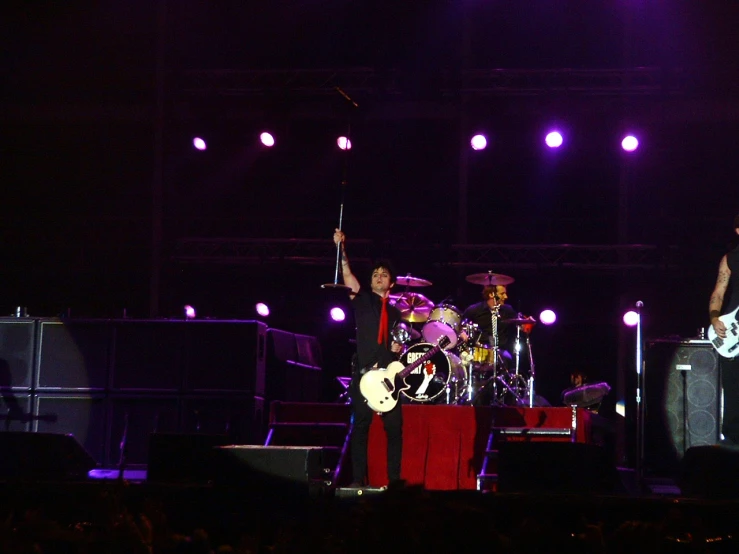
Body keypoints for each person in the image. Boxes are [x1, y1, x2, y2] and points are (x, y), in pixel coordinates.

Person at [333, 228, 404, 487]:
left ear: (391, 283)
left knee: (394, 430)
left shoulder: (397, 314)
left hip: (389, 378)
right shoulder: (362, 299)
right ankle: (358, 480)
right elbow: (347, 276)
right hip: (363, 375)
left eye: (384, 275)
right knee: (360, 429)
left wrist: (397, 348)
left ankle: (394, 481)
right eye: (375, 274)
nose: (378, 277)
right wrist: (342, 250)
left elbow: (397, 342)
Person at [709, 214, 739, 446]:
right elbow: (718, 293)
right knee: (732, 388)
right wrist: (715, 317)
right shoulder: (730, 259)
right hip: (732, 329)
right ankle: (732, 441)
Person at [461, 284, 518, 370]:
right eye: (502, 294)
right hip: (479, 350)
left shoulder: (508, 310)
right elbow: (459, 325)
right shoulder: (474, 310)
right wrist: (462, 333)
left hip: (500, 352)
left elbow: (521, 323)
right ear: (491, 294)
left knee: (508, 359)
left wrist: (528, 323)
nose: (506, 297)